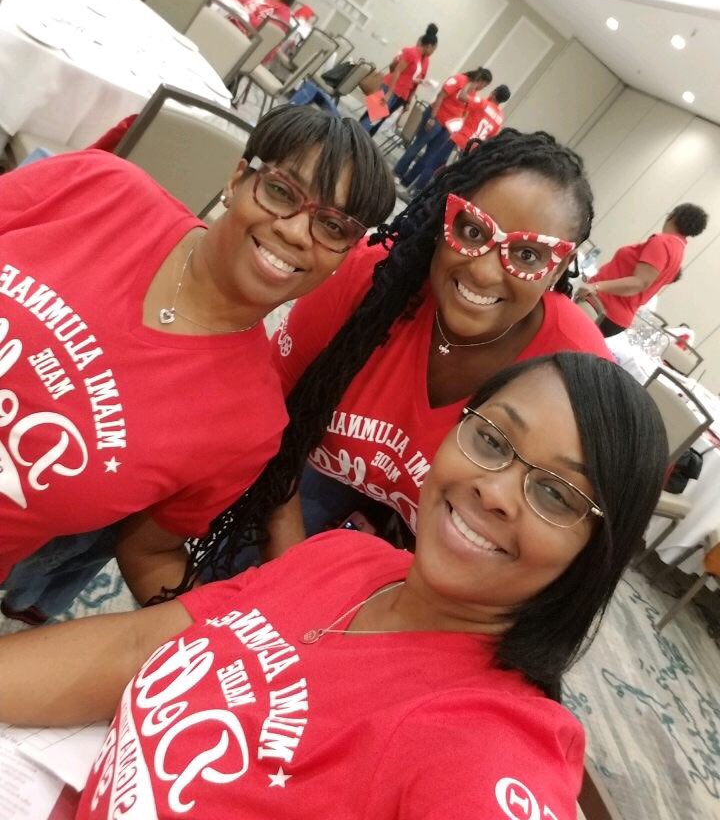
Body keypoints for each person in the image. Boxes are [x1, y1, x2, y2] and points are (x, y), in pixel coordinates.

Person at [0, 353, 668, 819]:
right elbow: (142, 643)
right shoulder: (348, 559)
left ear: (593, 554)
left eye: (555, 493)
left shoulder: (485, 745)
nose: (494, 491)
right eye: (492, 439)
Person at [0, 106, 395, 625]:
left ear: (345, 254)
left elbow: (149, 552)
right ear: (238, 178)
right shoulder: (101, 189)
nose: (298, 231)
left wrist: (251, 627)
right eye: (281, 191)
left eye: (331, 226)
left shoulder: (248, 425)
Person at [181, 129, 612, 583]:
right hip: (306, 473)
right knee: (227, 586)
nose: (485, 270)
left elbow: (538, 564)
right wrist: (291, 578)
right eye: (470, 230)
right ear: (441, 218)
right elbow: (269, 419)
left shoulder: (573, 371)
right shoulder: (373, 279)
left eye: (527, 255)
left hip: (458, 540)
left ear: (561, 268)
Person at [576, 203, 708, 338]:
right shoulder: (678, 251)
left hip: (603, 307)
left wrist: (596, 286)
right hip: (613, 313)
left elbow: (639, 283)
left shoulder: (663, 243)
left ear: (673, 216)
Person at [404, 84, 512, 196]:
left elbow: (462, 96)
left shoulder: (483, 103)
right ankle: (431, 196)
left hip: (459, 140)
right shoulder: (500, 118)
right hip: (473, 149)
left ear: (494, 93)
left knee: (434, 164)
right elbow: (491, 137)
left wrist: (468, 85)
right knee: (451, 174)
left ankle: (416, 191)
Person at [394, 67, 492, 183]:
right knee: (418, 145)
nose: (482, 88)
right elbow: (441, 96)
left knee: (430, 155)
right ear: (480, 80)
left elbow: (466, 109)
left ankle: (408, 180)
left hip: (448, 126)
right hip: (436, 118)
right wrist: (432, 118)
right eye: (484, 85)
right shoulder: (459, 80)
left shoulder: (473, 92)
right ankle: (398, 172)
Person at [359, 23, 439, 136]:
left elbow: (410, 77)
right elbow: (397, 71)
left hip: (400, 93)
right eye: (433, 50)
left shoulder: (422, 59)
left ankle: (357, 139)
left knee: (375, 119)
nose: (432, 53)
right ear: (429, 46)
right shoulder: (411, 52)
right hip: (390, 89)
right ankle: (353, 137)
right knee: (371, 117)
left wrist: (415, 89)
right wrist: (388, 94)